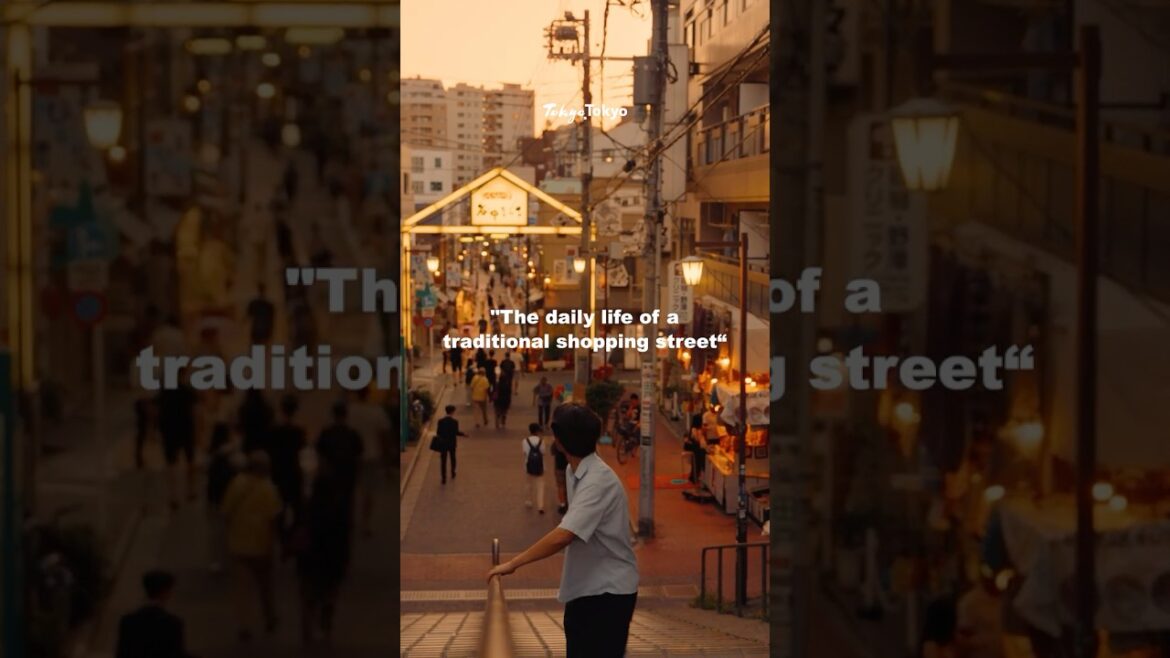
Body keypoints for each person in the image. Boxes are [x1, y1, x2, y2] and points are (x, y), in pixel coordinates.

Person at [487, 403, 639, 657]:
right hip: (585, 589)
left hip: (608, 594)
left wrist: (513, 563)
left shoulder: (597, 481)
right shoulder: (574, 470)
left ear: (561, 441)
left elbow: (564, 535)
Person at [221, 452, 283, 641]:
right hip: (261, 544)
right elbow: (273, 519)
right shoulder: (269, 488)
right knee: (266, 585)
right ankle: (269, 616)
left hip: (238, 544)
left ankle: (244, 625)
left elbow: (226, 512)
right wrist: (273, 545)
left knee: (242, 589)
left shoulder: (237, 483)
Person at [295, 471, 352, 646]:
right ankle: (325, 627)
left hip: (310, 559)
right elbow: (344, 538)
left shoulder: (308, 508)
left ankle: (307, 630)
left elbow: (300, 532)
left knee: (309, 596)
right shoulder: (339, 509)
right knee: (329, 596)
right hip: (332, 560)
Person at [115, 570, 193, 658]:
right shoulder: (172, 623)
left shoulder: (128, 621)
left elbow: (122, 653)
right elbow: (175, 654)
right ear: (165, 592)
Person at [348, 387, 391, 537]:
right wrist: (387, 460)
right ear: (368, 393)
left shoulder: (349, 412)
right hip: (372, 456)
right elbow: (383, 436)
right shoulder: (376, 412)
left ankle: (350, 520)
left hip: (351, 457)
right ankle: (365, 524)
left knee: (351, 489)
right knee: (368, 492)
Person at [157, 377, 198, 510]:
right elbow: (195, 409)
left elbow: (157, 409)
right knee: (190, 460)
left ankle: (173, 496)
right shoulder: (187, 390)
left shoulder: (165, 391)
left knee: (171, 464)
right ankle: (190, 490)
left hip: (169, 430)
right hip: (186, 428)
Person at [315, 401, 364, 509]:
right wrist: (358, 473)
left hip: (331, 471)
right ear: (346, 415)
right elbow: (359, 455)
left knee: (330, 500)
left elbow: (320, 454)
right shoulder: (352, 433)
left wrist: (321, 471)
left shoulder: (326, 432)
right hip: (348, 472)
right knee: (348, 499)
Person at [266, 395, 306, 520]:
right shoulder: (298, 431)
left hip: (277, 471)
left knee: (278, 508)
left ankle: (280, 534)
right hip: (293, 470)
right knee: (297, 508)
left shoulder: (274, 430)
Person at [206, 424, 239, 574]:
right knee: (231, 527)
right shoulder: (232, 452)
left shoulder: (210, 453)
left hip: (213, 495)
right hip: (230, 495)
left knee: (216, 530)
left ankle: (216, 560)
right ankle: (232, 554)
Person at [434, 405, 467, 484]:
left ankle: (443, 477)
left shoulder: (440, 421)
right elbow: (456, 432)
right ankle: (453, 472)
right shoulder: (454, 422)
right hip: (452, 443)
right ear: (452, 412)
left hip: (443, 443)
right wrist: (463, 434)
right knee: (453, 458)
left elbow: (438, 432)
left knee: (443, 460)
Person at [238, 390, 274, 455]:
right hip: (264, 445)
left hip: (249, 445)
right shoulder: (266, 408)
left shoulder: (244, 408)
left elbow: (240, 426)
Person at [523, 423, 546, 514]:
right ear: (537, 431)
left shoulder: (525, 441)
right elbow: (543, 452)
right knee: (540, 485)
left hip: (528, 465)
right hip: (540, 466)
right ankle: (540, 506)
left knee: (528, 483)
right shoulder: (541, 441)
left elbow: (525, 453)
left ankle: (529, 500)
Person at [684, 416, 708, 484]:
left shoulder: (695, 429)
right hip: (697, 449)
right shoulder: (695, 430)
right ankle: (695, 478)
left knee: (696, 464)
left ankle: (695, 477)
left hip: (697, 449)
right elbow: (697, 439)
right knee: (697, 463)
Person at [550, 437, 570, 515]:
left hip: (559, 466)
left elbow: (552, 452)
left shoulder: (557, 440)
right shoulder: (573, 439)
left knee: (561, 486)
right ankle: (570, 502)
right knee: (570, 485)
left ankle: (562, 504)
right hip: (571, 466)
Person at [493, 362, 514, 429]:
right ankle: (503, 422)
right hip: (505, 400)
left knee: (497, 412)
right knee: (504, 412)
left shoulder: (497, 385)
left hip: (498, 400)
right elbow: (509, 394)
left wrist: (493, 399)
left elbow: (494, 392)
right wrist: (509, 401)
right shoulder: (507, 386)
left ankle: (497, 422)